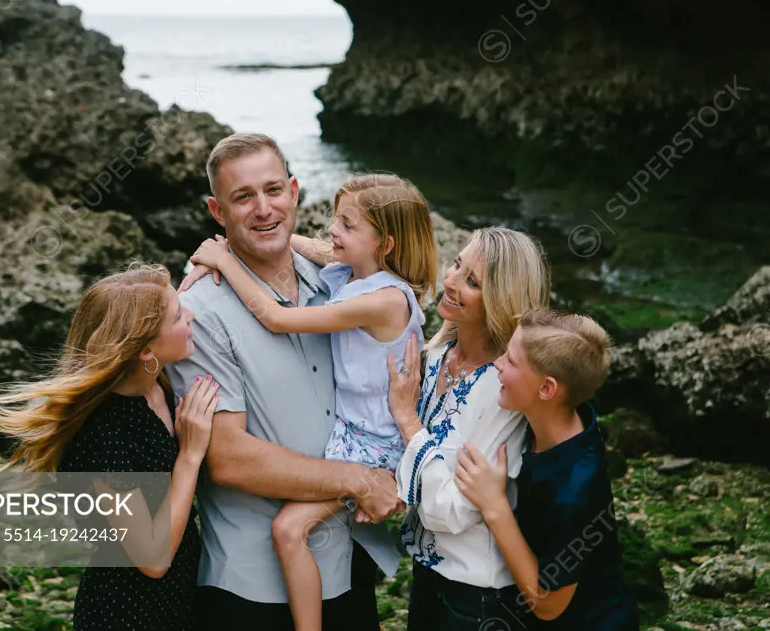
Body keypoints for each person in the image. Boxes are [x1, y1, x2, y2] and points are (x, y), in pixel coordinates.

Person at [165, 133, 400, 631]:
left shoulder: (340, 283)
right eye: (242, 197)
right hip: (252, 587)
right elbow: (228, 457)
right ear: (217, 210)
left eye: (274, 190)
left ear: (295, 191)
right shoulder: (200, 313)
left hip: (347, 561)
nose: (263, 208)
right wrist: (362, 480)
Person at [0, 262, 215, 631]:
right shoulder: (102, 435)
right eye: (179, 314)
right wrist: (190, 456)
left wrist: (222, 256)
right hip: (126, 613)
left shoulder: (156, 385)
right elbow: (152, 558)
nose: (191, 313)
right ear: (145, 350)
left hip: (181, 599)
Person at [385, 227, 551, 631]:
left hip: (476, 599)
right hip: (426, 575)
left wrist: (408, 421)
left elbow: (451, 512)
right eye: (457, 264)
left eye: (472, 281)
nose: (451, 280)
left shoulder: (504, 390)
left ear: (500, 302)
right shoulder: (439, 351)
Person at [453, 309, 640, 630]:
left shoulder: (575, 491)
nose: (497, 364)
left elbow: (548, 604)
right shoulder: (568, 411)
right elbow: (565, 348)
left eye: (510, 361)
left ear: (546, 389)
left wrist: (494, 507)